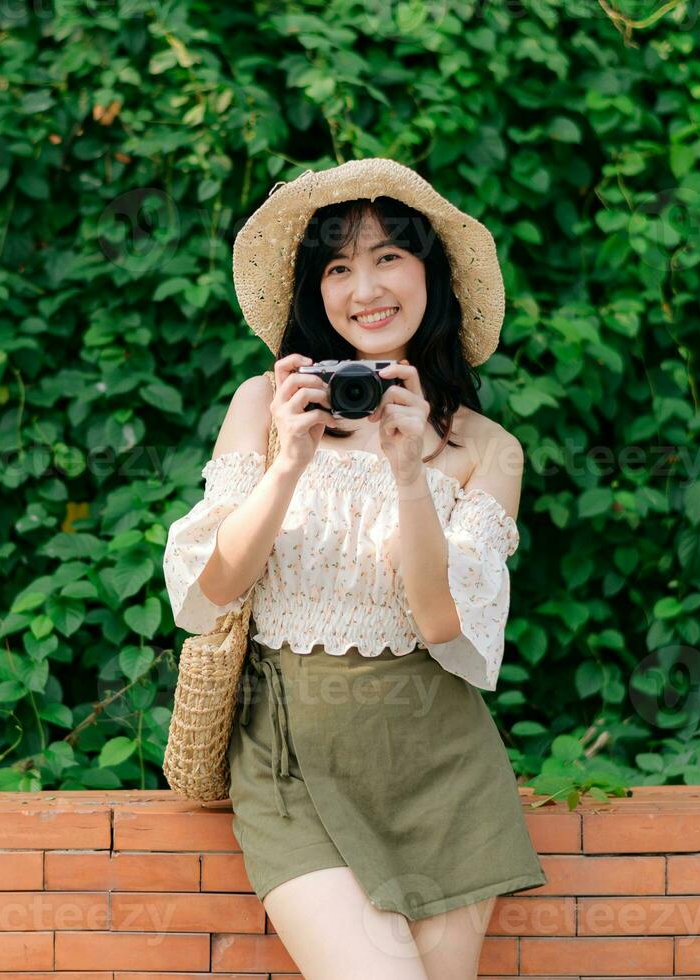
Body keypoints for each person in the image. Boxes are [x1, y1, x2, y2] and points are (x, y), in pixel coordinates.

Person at [161, 159, 546, 979]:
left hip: (441, 766)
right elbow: (210, 588)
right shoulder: (263, 406)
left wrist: (411, 474)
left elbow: (442, 623)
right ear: (316, 291)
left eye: (386, 258)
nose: (363, 286)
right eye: (338, 266)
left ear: (428, 276)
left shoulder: (486, 449)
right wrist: (287, 465)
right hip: (290, 755)